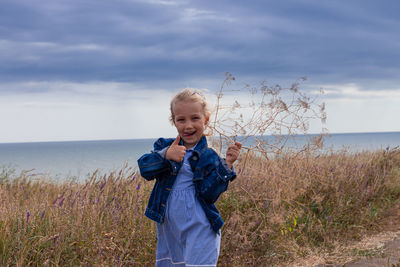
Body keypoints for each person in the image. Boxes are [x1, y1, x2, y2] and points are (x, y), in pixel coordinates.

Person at [137, 88, 241, 266]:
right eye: (181, 120)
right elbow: (145, 168)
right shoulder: (164, 146)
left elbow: (209, 194)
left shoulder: (209, 156)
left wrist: (227, 165)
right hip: (170, 227)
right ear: (174, 122)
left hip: (199, 225)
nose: (188, 126)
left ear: (205, 120)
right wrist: (166, 155)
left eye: (195, 118)